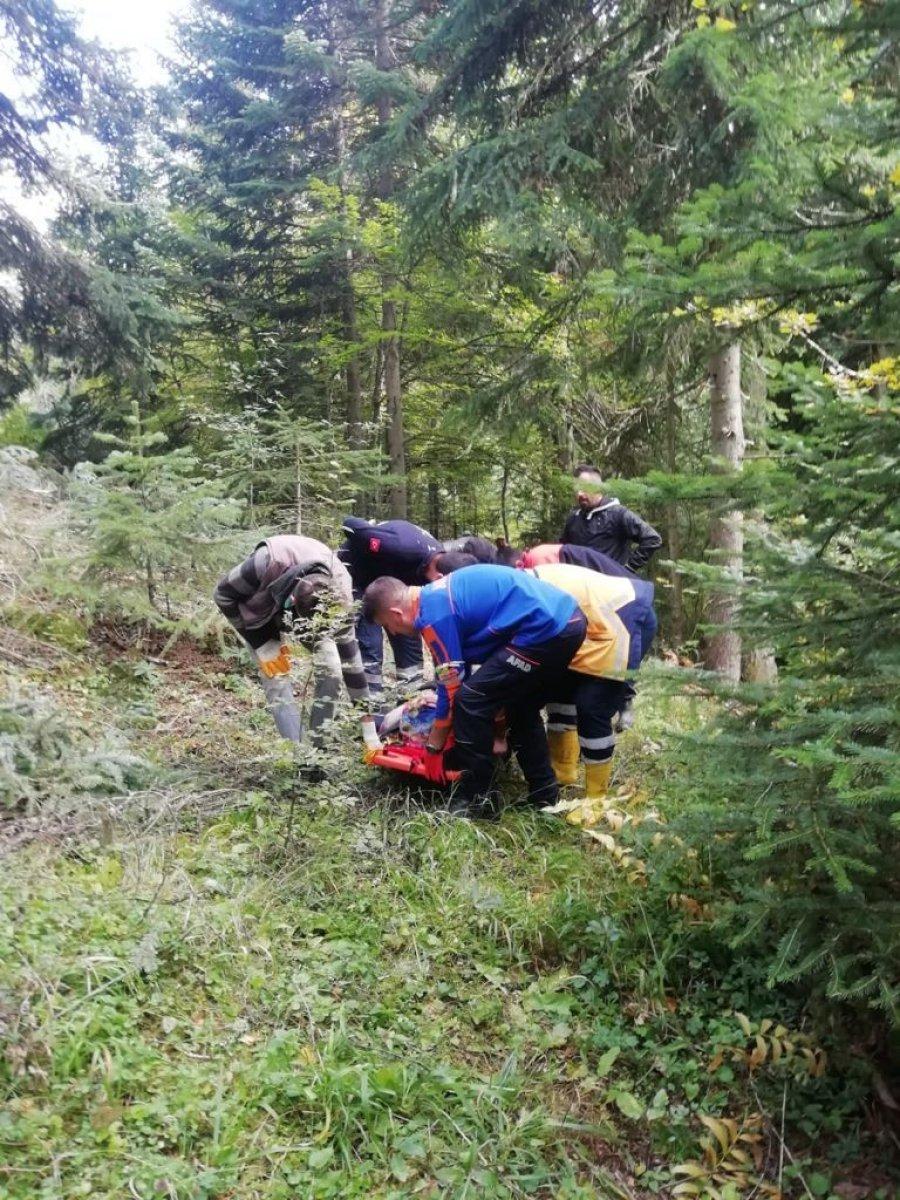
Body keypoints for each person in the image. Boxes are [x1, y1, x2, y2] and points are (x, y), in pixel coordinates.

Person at [361, 565, 587, 819]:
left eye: (387, 625)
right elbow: (457, 672)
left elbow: (451, 687)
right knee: (520, 707)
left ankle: (479, 799)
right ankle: (545, 797)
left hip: (547, 629)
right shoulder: (435, 598)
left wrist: (433, 749)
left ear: (396, 612)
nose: (392, 632)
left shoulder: (434, 616)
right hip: (568, 621)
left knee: (471, 701)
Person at [524, 562, 657, 825]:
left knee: (592, 705)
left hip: (622, 622)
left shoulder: (527, 593)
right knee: (559, 689)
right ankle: (563, 769)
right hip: (587, 629)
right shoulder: (521, 585)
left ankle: (597, 799)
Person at [213, 534, 373, 746]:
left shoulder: (341, 596)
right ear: (292, 600)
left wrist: (369, 728)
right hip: (261, 613)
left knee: (332, 669)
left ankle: (318, 749)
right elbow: (222, 595)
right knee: (276, 677)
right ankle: (298, 753)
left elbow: (351, 663)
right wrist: (259, 642)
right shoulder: (265, 563)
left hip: (314, 613)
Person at [338, 517, 442, 695]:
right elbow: (349, 524)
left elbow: (439, 636)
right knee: (370, 645)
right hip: (358, 578)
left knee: (407, 632)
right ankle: (371, 709)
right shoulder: (401, 546)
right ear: (439, 575)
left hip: (394, 587)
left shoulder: (437, 575)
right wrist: (370, 529)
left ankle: (411, 703)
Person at [561, 464, 662, 572]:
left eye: (584, 488)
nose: (580, 494)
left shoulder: (617, 514)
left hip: (611, 586)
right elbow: (562, 550)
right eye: (577, 489)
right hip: (578, 586)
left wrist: (628, 569)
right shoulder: (573, 519)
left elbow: (652, 539)